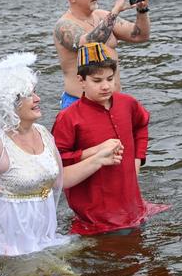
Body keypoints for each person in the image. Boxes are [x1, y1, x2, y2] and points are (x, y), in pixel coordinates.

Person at [0, 52, 123, 256]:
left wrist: (98, 160)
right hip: (11, 240)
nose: (38, 98)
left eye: (35, 92)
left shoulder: (43, 133)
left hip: (43, 235)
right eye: (30, 95)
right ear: (11, 103)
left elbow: (59, 180)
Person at [51, 43, 169, 235]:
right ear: (81, 81)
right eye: (97, 81)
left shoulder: (127, 103)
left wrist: (137, 159)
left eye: (110, 79)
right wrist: (92, 152)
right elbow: (56, 161)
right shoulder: (69, 117)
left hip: (130, 200)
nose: (106, 86)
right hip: (95, 210)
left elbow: (141, 125)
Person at [53, 0, 151, 109]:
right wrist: (115, 11)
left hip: (112, 102)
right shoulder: (63, 26)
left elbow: (140, 35)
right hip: (80, 104)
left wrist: (142, 10)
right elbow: (90, 44)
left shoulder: (102, 16)